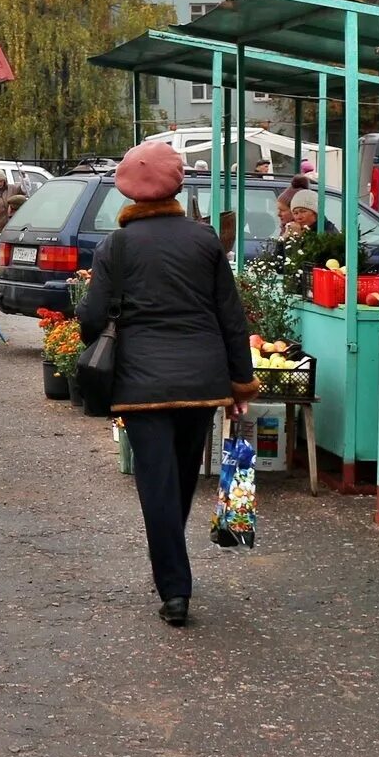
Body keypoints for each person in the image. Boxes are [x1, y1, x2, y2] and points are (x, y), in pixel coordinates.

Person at [76, 139, 256, 629]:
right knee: (177, 480)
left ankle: (175, 589)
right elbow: (231, 318)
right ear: (177, 184)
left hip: (140, 385)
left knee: (157, 485)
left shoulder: (117, 245)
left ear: (129, 191)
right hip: (202, 381)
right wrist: (241, 382)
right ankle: (171, 567)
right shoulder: (204, 241)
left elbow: (93, 317)